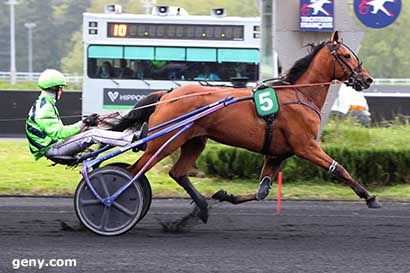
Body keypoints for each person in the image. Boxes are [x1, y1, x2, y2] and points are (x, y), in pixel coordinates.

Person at [25, 69, 147, 161]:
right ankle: (133, 140)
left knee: (91, 129)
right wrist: (84, 123)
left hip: (56, 145)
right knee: (92, 134)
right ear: (54, 89)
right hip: (54, 150)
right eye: (61, 88)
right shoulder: (44, 108)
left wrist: (87, 123)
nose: (62, 91)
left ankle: (129, 137)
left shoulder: (45, 104)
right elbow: (60, 133)